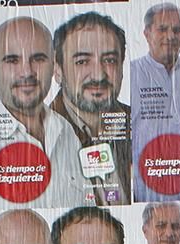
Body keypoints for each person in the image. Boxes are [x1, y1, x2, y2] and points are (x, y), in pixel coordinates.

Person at [0, 16, 89, 210]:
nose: (27, 72)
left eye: (38, 58)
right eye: (12, 60)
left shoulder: (66, 131)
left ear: (54, 64)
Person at [50, 13, 133, 206]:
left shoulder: (141, 124)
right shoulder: (36, 137)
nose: (98, 75)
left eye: (110, 60)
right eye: (82, 61)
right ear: (57, 70)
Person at [132, 4, 180, 202]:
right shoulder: (131, 74)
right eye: (162, 29)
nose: (170, 36)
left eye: (176, 30)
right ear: (147, 33)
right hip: (149, 189)